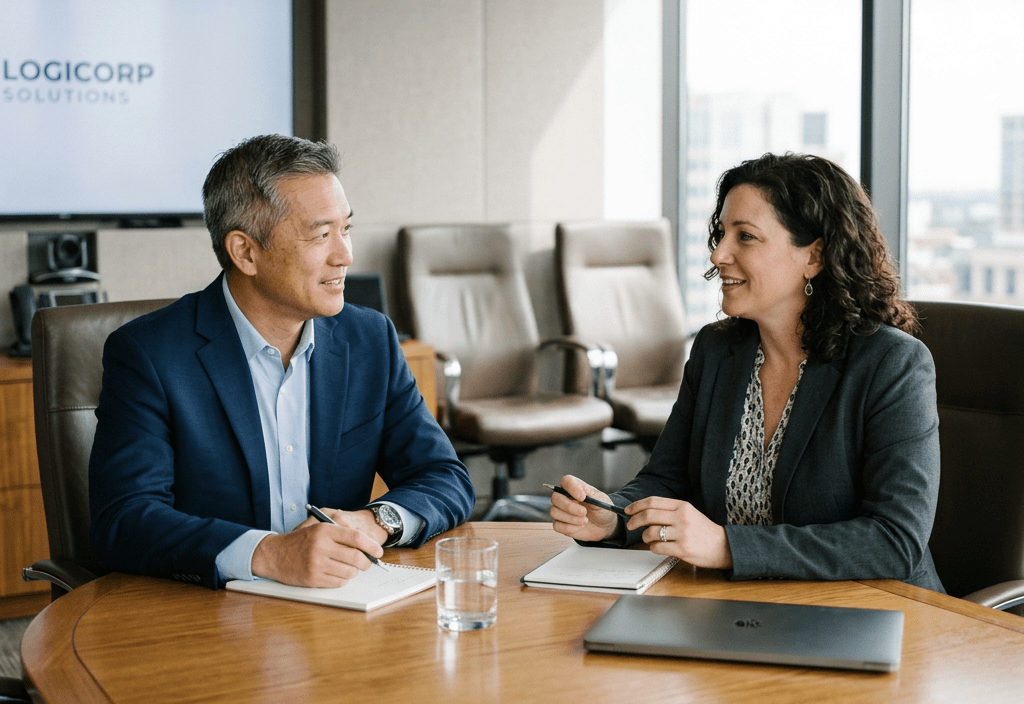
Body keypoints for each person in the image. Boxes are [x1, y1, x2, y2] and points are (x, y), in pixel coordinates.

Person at [89, 134, 474, 589]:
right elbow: (125, 519)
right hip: (207, 615)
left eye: (346, 229)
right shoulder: (149, 354)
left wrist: (375, 522)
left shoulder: (369, 338)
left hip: (338, 612)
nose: (345, 256)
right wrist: (269, 553)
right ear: (245, 252)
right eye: (321, 234)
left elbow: (443, 477)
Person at [551, 152, 943, 591]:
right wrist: (612, 516)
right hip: (743, 608)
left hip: (876, 615)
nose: (719, 254)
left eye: (746, 237)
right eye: (721, 234)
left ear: (813, 256)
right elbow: (667, 478)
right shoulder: (717, 351)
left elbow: (894, 541)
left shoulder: (892, 365)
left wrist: (727, 547)